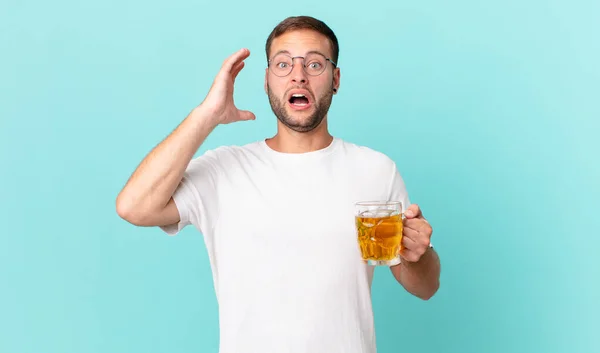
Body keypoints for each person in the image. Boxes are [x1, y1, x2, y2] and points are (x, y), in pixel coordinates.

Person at [116, 15, 440, 353]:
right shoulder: (224, 170)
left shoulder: (375, 170)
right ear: (268, 80)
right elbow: (133, 206)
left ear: (335, 79)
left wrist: (419, 256)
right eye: (283, 64)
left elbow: (426, 286)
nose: (298, 75)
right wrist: (207, 115)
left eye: (315, 64)